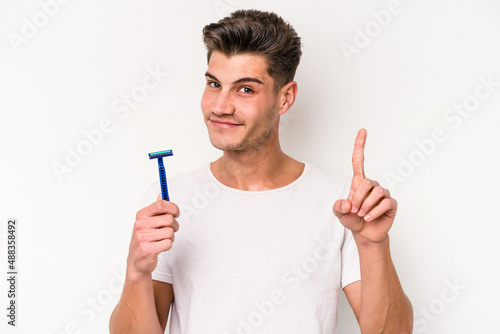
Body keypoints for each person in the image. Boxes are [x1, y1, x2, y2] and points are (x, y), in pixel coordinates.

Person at [110, 9, 413, 334]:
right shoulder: (172, 199)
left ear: (285, 98)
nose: (220, 106)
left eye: (245, 89)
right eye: (214, 84)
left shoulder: (343, 204)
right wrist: (136, 271)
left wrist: (373, 246)